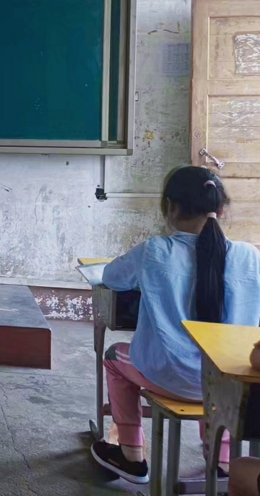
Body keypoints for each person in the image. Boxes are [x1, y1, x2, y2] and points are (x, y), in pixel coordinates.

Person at [91, 165, 260, 484]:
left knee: (114, 357)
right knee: (213, 367)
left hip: (169, 377)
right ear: (221, 209)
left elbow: (111, 277)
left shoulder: (154, 251)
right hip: (232, 387)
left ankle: (131, 455)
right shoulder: (250, 256)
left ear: (170, 207)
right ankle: (223, 462)